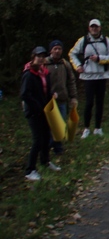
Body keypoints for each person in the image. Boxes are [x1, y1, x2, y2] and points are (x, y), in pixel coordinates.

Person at [69, 19, 109, 138]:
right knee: (89, 102)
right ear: (89, 28)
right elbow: (72, 53)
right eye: (92, 27)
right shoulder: (83, 40)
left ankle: (98, 128)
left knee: (100, 102)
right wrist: (78, 66)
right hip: (88, 76)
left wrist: (99, 58)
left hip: (102, 75)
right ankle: (86, 128)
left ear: (100, 28)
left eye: (96, 27)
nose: (94, 29)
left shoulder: (106, 40)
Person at [21, 46, 62, 181]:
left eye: (42, 56)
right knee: (37, 140)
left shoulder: (44, 73)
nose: (40, 59)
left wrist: (51, 95)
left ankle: (45, 161)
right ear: (33, 58)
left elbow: (44, 90)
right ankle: (30, 170)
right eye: (38, 56)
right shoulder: (29, 74)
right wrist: (37, 107)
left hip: (45, 111)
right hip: (34, 112)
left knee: (46, 137)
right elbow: (25, 94)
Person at [45, 40, 78, 155]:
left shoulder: (65, 64)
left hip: (62, 99)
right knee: (49, 125)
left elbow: (71, 81)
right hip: (48, 100)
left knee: (60, 125)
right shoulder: (44, 64)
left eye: (59, 49)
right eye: (55, 49)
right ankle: (47, 148)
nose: (57, 51)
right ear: (51, 50)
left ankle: (58, 148)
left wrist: (73, 97)